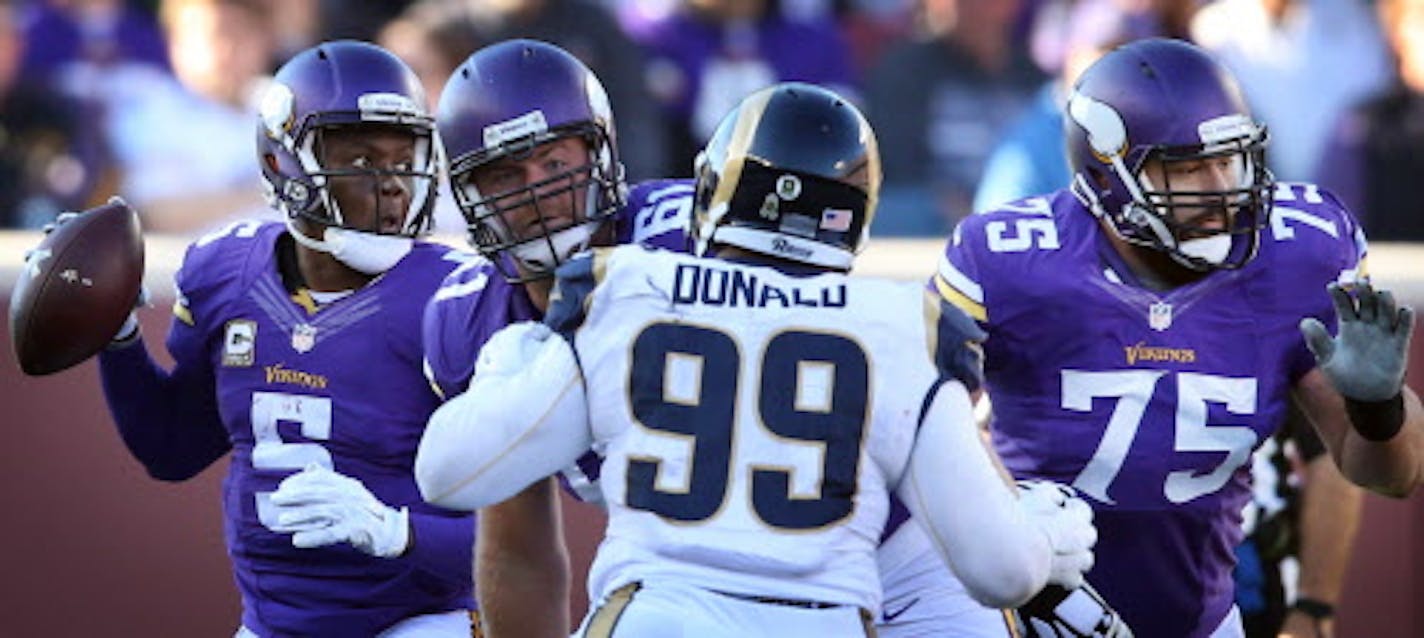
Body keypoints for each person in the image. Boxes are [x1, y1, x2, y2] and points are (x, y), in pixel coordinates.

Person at [416, 81, 1098, 636]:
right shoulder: (899, 322)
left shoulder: (623, 280)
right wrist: (1022, 535)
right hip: (818, 600)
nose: (539, 196)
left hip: (777, 575)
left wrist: (511, 366)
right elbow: (517, 545)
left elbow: (447, 474)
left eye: (555, 164)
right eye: (506, 175)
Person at [930, 38, 1422, 638]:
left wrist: (1380, 409)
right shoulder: (1010, 260)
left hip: (1199, 619)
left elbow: (1393, 475)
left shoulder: (1301, 252)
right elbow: (925, 430)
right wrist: (1007, 527)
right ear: (1107, 175)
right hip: (1022, 614)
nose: (1220, 189)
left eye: (1230, 160)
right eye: (1187, 167)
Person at [92, 41, 476, 636]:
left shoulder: (454, 298)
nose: (394, 184)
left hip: (418, 620)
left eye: (404, 160)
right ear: (281, 165)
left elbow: (519, 533)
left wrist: (396, 531)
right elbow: (171, 449)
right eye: (363, 159)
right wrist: (115, 339)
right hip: (272, 624)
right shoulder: (224, 270)